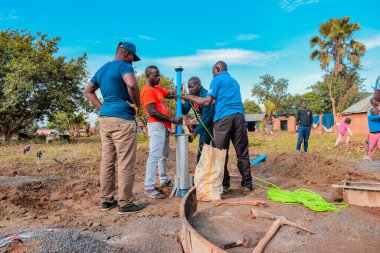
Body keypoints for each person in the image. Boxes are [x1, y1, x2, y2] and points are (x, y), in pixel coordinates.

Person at [85, 41, 144, 214]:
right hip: (122, 120)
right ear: (126, 54)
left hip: (105, 119)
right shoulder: (124, 67)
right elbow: (132, 84)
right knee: (125, 161)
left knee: (108, 161)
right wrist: (136, 104)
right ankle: (125, 203)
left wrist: (101, 107)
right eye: (132, 57)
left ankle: (107, 201)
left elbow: (88, 91)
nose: (132, 62)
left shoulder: (102, 69)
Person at [182, 61, 253, 193]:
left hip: (223, 119)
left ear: (217, 68)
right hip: (239, 117)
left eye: (213, 71)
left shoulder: (217, 80)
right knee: (242, 152)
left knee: (220, 153)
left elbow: (207, 102)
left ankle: (224, 185)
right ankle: (247, 184)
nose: (212, 74)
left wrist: (187, 97)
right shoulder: (234, 81)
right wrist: (187, 98)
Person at [140, 65, 182, 199]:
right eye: (155, 75)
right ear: (147, 76)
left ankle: (163, 180)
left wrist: (178, 93)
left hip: (163, 126)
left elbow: (169, 95)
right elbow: (152, 111)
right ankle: (149, 187)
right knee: (155, 156)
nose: (158, 77)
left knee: (163, 156)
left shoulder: (157, 88)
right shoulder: (147, 91)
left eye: (159, 75)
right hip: (156, 125)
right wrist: (171, 119)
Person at [182, 77, 215, 163]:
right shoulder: (191, 95)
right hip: (204, 127)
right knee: (202, 149)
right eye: (189, 87)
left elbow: (206, 119)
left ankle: (215, 174)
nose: (190, 89)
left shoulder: (206, 96)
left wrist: (194, 134)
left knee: (216, 150)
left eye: (192, 87)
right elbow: (184, 110)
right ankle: (199, 174)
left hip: (215, 125)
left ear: (199, 85)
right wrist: (177, 99)